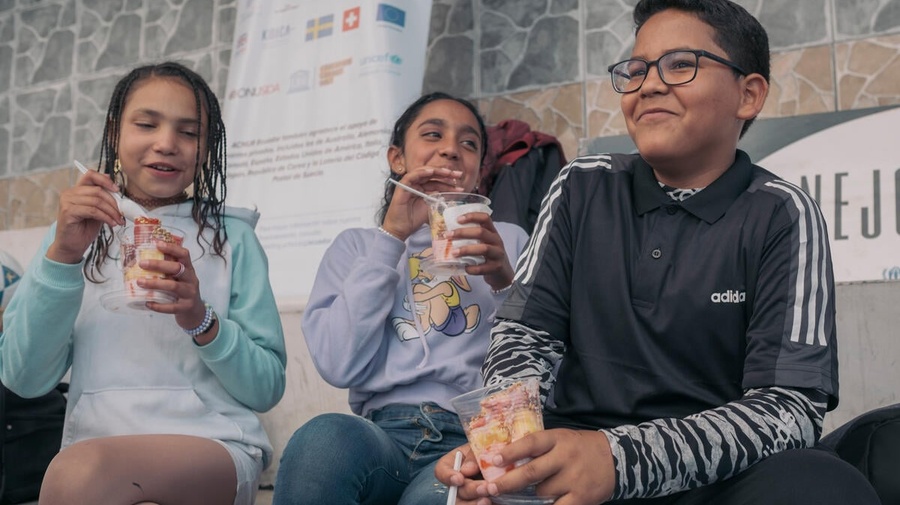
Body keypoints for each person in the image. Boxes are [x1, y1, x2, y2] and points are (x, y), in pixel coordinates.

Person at [435, 1, 881, 504]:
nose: (648, 84)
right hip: (573, 462)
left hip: (712, 476)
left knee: (822, 487)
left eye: (680, 64)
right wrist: (507, 454)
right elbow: (523, 338)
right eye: (636, 69)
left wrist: (620, 460)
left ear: (748, 94)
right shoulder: (581, 187)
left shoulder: (781, 214)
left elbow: (789, 411)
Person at [0, 61, 286, 505]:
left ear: (207, 148)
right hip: (98, 462)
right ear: (115, 132)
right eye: (147, 124)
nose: (167, 143)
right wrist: (64, 256)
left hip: (213, 448)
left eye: (189, 133)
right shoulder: (74, 234)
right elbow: (23, 378)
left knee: (80, 472)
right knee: (88, 473)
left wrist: (200, 318)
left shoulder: (233, 238)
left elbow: (266, 388)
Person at [272, 92, 530, 505]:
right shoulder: (356, 248)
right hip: (381, 434)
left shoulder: (510, 241)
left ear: (478, 174)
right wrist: (390, 238)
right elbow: (339, 365)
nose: (450, 149)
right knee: (321, 441)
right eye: (433, 135)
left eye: (468, 144)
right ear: (397, 159)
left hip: (476, 435)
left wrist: (503, 280)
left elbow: (542, 371)